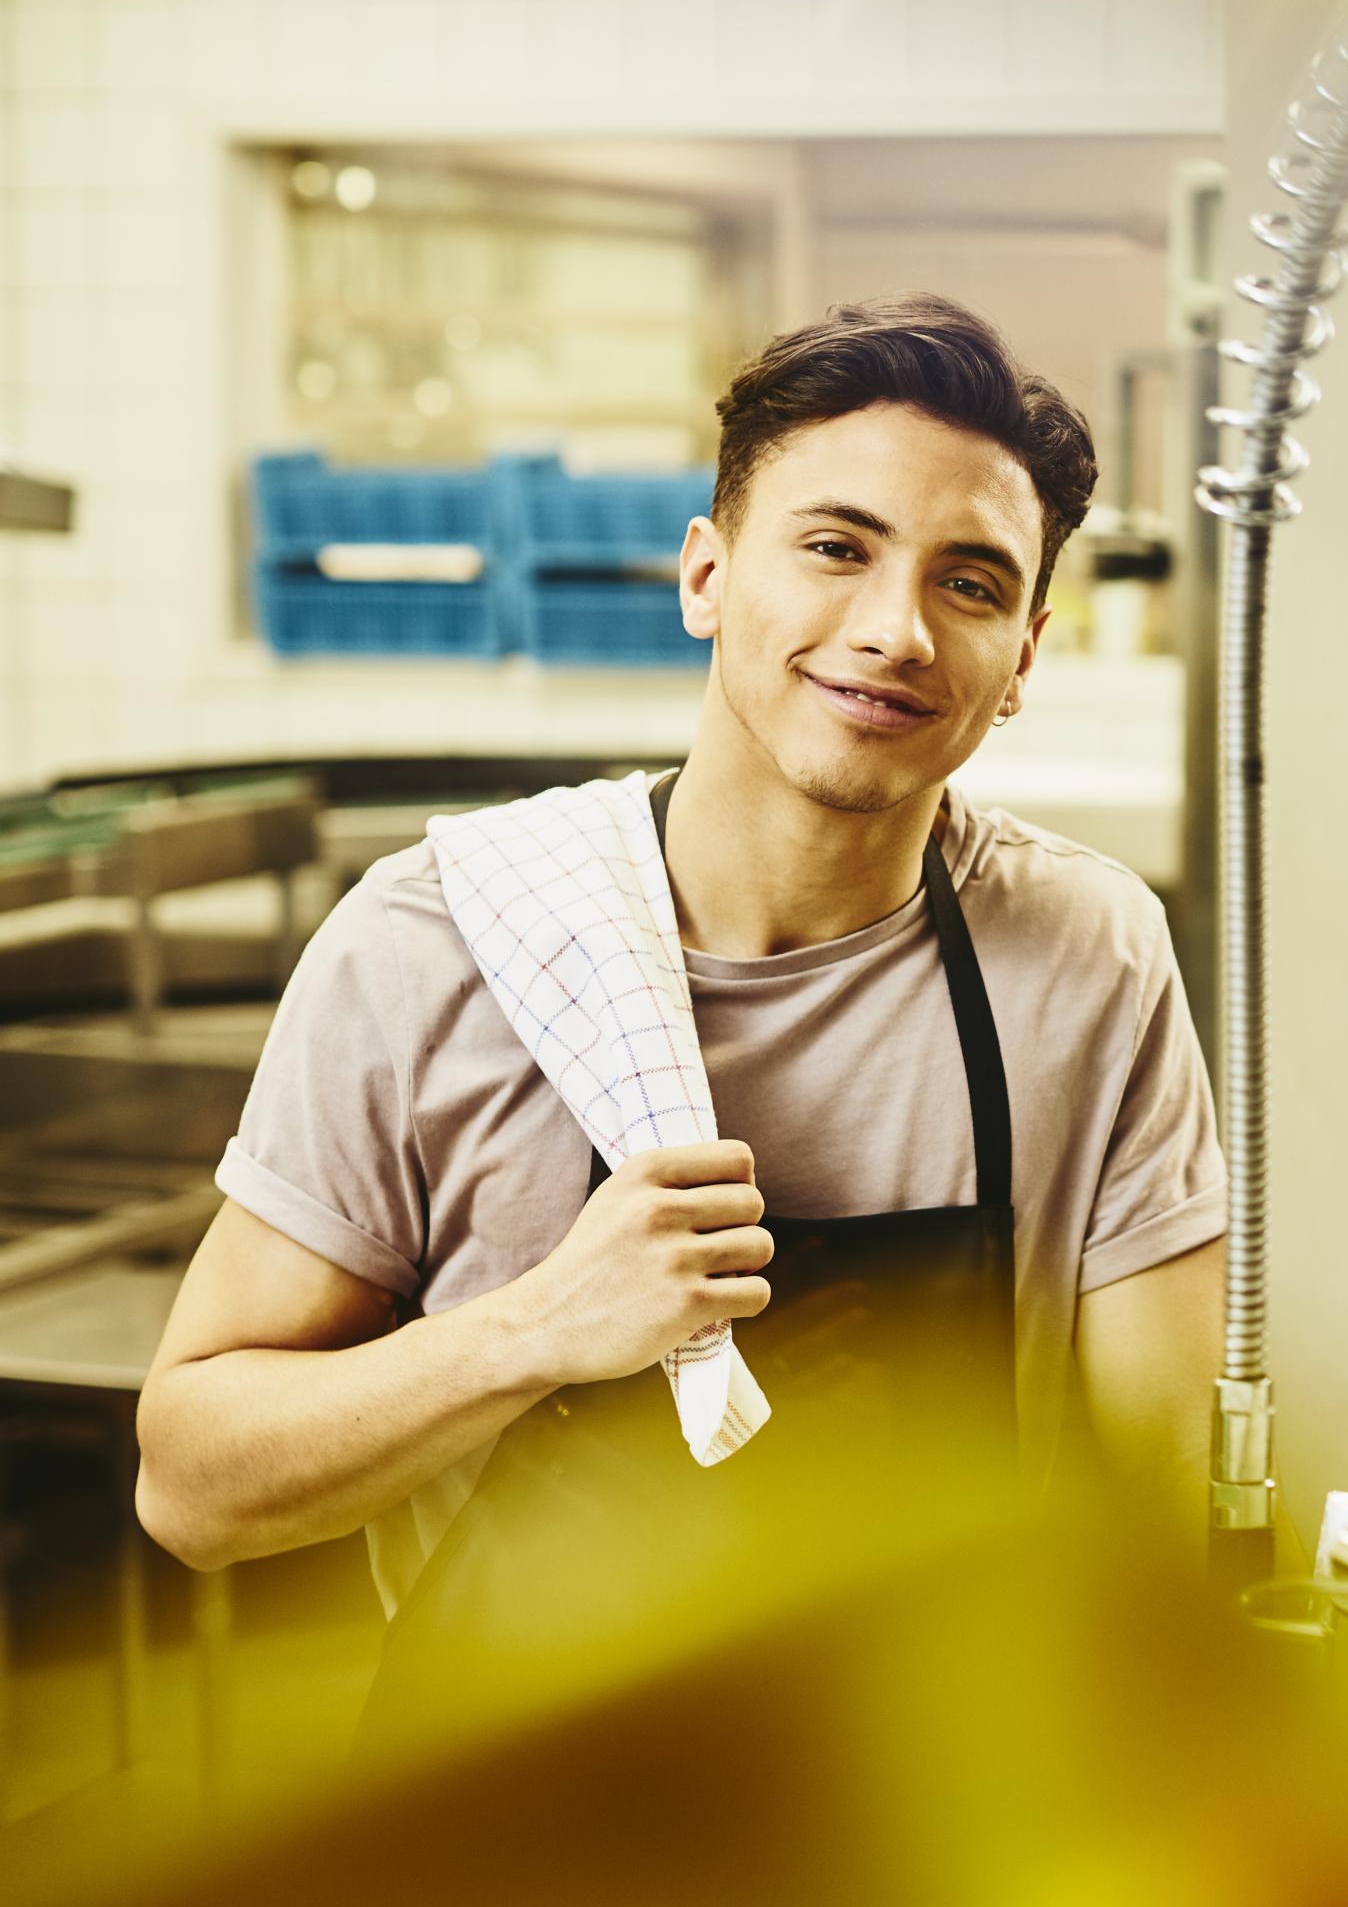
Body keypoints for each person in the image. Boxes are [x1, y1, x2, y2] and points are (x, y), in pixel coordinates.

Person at [131, 294, 1226, 1675]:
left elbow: (1153, 1496)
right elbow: (191, 1491)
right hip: (529, 1805)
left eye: (971, 581)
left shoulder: (1090, 952)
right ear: (706, 578)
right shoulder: (437, 942)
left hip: (935, 1792)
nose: (896, 630)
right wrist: (533, 1330)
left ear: (1021, 661)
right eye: (836, 548)